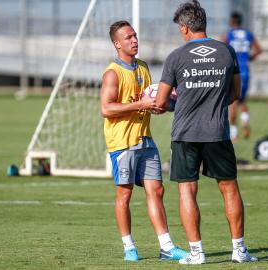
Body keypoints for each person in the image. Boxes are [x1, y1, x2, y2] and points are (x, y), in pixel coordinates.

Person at [155, 1, 257, 265]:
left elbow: (162, 102)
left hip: (185, 134)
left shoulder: (176, 57)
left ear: (186, 27)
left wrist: (174, 103)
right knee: (230, 189)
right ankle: (239, 250)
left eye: (180, 28)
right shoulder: (227, 52)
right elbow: (235, 93)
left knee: (187, 191)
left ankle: (197, 253)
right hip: (217, 132)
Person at [100, 20, 188, 262]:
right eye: (128, 37)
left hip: (144, 139)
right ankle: (129, 247)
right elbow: (106, 109)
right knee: (125, 194)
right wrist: (140, 104)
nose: (134, 40)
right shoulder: (112, 73)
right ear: (117, 44)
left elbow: (147, 101)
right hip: (122, 142)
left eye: (135, 36)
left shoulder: (143, 67)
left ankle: (167, 247)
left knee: (157, 190)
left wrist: (159, 107)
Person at [223, 11, 262, 141]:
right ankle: (245, 123)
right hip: (245, 70)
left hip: (234, 70)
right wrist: (248, 58)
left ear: (232, 21)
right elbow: (258, 50)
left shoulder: (229, 35)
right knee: (242, 100)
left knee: (233, 101)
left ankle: (233, 134)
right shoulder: (248, 34)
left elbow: (221, 49)